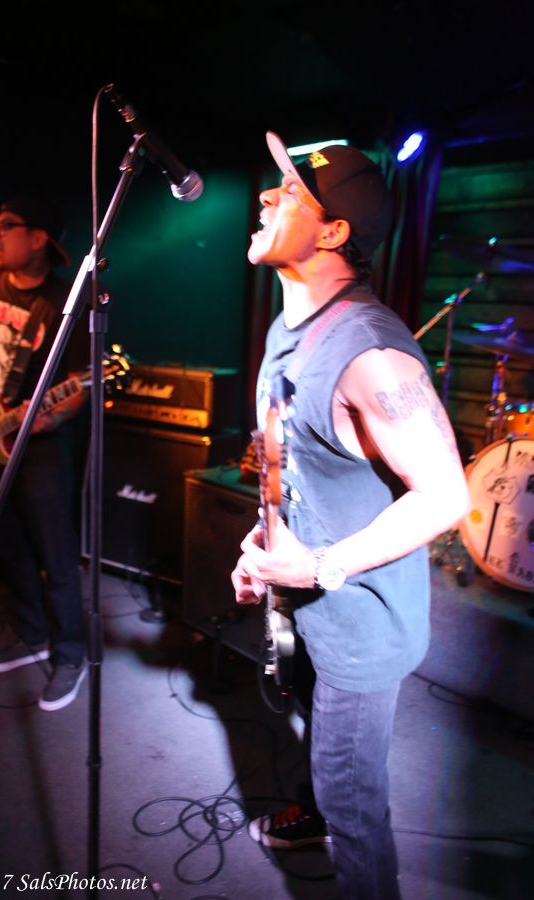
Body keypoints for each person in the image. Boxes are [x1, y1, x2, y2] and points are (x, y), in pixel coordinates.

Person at [231, 133, 470, 898]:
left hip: (363, 625)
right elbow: (290, 466)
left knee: (353, 801)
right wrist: (262, 543)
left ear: (333, 232)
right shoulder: (287, 330)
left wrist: (320, 565)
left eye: (289, 192)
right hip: (308, 600)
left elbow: (448, 496)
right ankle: (311, 812)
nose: (266, 197)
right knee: (318, 741)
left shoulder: (371, 352)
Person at [0, 194, 89, 712]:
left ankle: (71, 655)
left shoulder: (64, 299)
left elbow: (80, 384)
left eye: (6, 225)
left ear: (38, 237)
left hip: (40, 444)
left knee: (56, 551)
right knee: (8, 545)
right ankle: (33, 637)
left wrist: (53, 416)